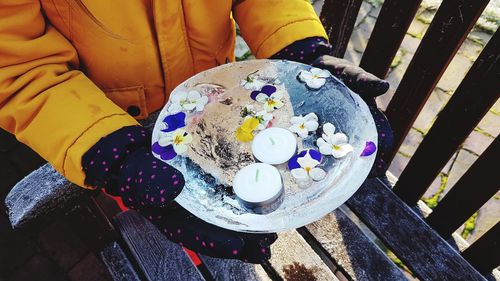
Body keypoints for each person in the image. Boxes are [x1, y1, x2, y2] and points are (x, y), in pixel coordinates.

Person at [0, 0, 392, 263]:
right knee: (175, 213)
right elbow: (19, 67)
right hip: (118, 129)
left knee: (226, 210)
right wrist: (114, 155)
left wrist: (297, 48)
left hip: (224, 105)